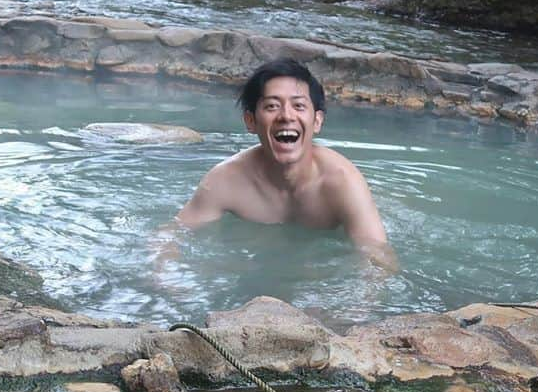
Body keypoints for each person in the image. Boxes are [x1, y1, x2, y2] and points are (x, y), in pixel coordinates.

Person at [165, 57, 396, 269]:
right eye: (272, 106)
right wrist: (168, 278)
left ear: (317, 121)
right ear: (251, 121)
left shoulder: (341, 182)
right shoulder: (226, 180)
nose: (286, 116)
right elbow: (171, 234)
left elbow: (378, 258)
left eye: (298, 106)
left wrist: (359, 310)